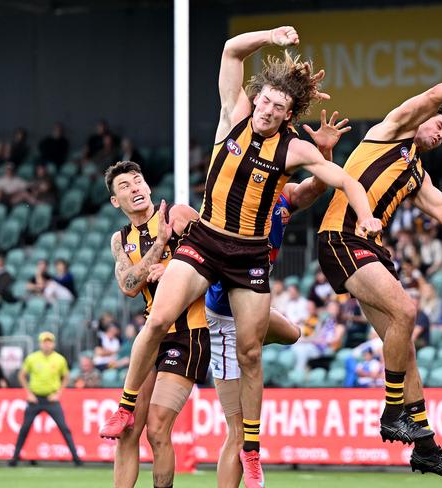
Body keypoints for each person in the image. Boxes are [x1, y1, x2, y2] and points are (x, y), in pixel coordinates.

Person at [101, 26, 382, 487]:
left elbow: (343, 180)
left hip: (248, 256)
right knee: (157, 319)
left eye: (278, 106)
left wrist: (366, 215)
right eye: (265, 101)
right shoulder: (233, 116)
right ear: (257, 99)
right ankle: (125, 407)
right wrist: (270, 35)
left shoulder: (293, 148)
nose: (268, 111)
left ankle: (251, 450)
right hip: (206, 240)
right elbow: (231, 50)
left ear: (289, 113)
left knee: (252, 353)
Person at [318, 69, 442, 479]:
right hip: (342, 237)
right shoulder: (391, 129)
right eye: (440, 124)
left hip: (368, 247)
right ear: (423, 118)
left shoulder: (415, 172)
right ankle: (393, 413)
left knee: (404, 347)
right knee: (407, 312)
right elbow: (439, 92)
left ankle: (425, 449)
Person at [99, 161, 210, 488]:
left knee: (158, 430)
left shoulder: (180, 215)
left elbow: (213, 260)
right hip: (152, 336)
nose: (134, 188)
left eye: (138, 181)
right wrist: (160, 247)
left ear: (148, 187)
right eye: (125, 186)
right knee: (129, 430)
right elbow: (129, 286)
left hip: (189, 332)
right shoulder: (120, 240)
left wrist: (176, 268)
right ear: (115, 202)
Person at [9, 332, 82, 467]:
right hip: (35, 399)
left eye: (49, 342)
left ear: (53, 344)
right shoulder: (32, 358)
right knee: (24, 428)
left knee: (64, 428)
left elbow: (66, 377)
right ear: (40, 343)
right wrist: (29, 393)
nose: (47, 344)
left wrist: (58, 393)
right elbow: (21, 375)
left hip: (51, 399)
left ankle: (76, 458)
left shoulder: (59, 359)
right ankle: (14, 458)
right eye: (44, 342)